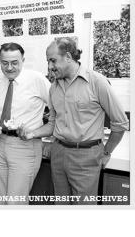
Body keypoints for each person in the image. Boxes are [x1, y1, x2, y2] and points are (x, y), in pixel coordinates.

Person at [18, 37, 129, 205]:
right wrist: (31, 133)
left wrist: (106, 152)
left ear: (68, 56)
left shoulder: (97, 82)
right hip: (58, 153)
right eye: (48, 61)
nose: (49, 66)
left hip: (86, 156)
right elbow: (53, 124)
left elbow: (120, 123)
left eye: (53, 60)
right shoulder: (54, 87)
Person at [0, 42, 50, 205]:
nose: (9, 68)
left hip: (25, 146)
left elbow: (59, 110)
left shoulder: (37, 80)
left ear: (23, 60)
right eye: (4, 63)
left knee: (16, 202)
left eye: (14, 63)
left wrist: (52, 137)